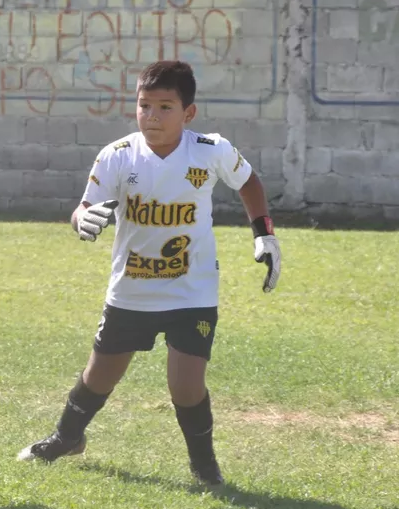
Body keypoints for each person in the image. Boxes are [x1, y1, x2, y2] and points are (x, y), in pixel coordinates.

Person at [17, 60, 281, 486]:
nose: (152, 117)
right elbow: (85, 206)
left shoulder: (210, 150)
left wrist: (264, 234)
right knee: (99, 376)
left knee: (186, 385)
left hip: (191, 289)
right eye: (144, 106)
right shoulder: (118, 155)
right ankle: (66, 438)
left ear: (188, 113)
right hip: (132, 289)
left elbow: (249, 182)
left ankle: (205, 466)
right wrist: (81, 219)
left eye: (165, 107)